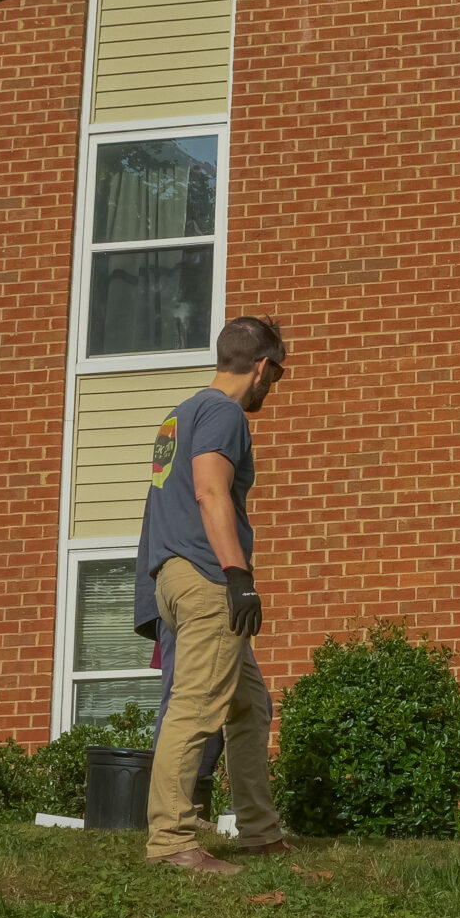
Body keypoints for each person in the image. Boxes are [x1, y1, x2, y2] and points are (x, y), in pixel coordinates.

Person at [136, 316, 289, 872]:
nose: (273, 387)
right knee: (197, 705)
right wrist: (238, 576)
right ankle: (172, 840)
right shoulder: (224, 413)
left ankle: (260, 831)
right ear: (263, 366)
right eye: (278, 375)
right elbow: (208, 490)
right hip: (206, 577)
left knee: (249, 705)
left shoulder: (179, 415)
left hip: (175, 575)